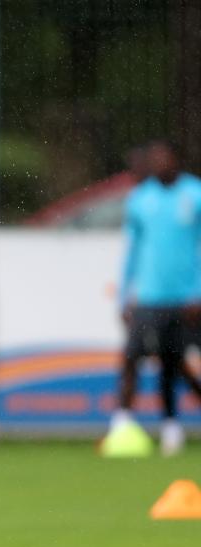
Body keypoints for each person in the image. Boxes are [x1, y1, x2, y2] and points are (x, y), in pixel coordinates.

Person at [106, 140, 201, 456]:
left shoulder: (195, 194)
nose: (159, 163)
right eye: (154, 158)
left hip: (186, 299)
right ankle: (121, 422)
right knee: (132, 355)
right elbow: (132, 252)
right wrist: (124, 297)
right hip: (148, 297)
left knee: (174, 364)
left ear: (177, 160)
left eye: (164, 157)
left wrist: (198, 291)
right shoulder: (140, 199)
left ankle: (171, 426)